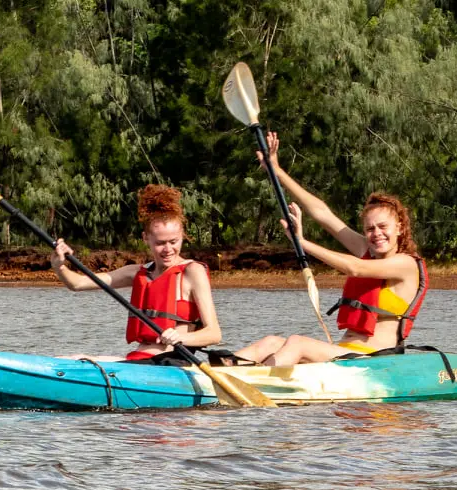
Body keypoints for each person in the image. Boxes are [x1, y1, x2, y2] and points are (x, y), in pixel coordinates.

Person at [235, 132, 428, 366]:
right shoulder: (366, 249)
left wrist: (302, 242)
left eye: (382, 227)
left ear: (399, 227)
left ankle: (256, 384)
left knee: (297, 342)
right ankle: (216, 374)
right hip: (343, 353)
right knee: (271, 342)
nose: (376, 233)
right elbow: (322, 214)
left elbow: (356, 268)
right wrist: (277, 171)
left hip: (373, 361)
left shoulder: (405, 264)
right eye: (370, 229)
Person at [49, 184, 222, 362]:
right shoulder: (136, 273)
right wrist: (59, 266)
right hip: (138, 360)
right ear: (145, 238)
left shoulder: (192, 271)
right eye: (160, 243)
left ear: (183, 235)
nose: (168, 249)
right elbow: (77, 284)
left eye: (174, 241)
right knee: (72, 359)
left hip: (171, 363)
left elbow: (214, 334)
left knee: (83, 360)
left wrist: (182, 338)